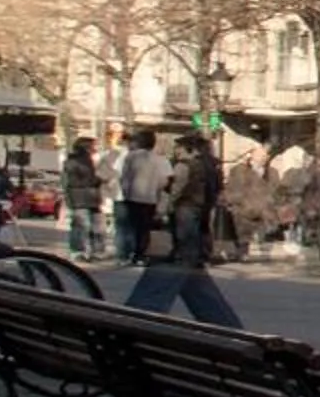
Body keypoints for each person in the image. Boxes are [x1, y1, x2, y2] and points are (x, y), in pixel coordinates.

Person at [125, 137, 242, 327]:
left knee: (169, 271)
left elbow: (174, 192)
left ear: (190, 149)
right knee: (196, 282)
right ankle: (229, 328)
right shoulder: (212, 168)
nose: (177, 151)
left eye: (179, 147)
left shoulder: (184, 167)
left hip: (181, 221)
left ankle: (135, 325)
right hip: (198, 223)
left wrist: (161, 209)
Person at [114, 127, 167, 266]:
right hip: (150, 198)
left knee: (130, 227)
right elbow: (164, 180)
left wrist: (126, 193)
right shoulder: (159, 159)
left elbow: (124, 177)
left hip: (132, 197)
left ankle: (126, 255)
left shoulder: (131, 157)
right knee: (144, 229)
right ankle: (140, 255)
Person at [62, 137, 105, 261]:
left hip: (91, 198)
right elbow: (73, 181)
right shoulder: (75, 161)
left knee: (96, 227)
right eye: (92, 147)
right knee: (80, 226)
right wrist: (97, 180)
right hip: (80, 199)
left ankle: (96, 251)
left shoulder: (88, 161)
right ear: (85, 148)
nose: (94, 149)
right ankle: (77, 251)